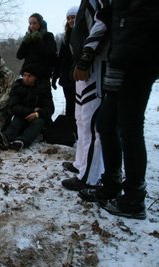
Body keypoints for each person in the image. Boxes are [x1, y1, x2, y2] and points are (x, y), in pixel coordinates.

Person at [79, 0, 159, 220]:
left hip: (138, 61)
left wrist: (122, 60)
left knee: (130, 128)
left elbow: (141, 20)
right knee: (105, 123)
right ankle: (112, 183)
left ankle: (134, 198)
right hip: (120, 60)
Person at [61, 0, 110, 191]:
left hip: (95, 63)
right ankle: (81, 163)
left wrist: (87, 55)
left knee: (91, 122)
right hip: (82, 64)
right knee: (80, 118)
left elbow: (102, 21)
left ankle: (90, 177)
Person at [0, 64, 54, 151]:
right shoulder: (17, 86)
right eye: (24, 75)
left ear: (35, 77)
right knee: (17, 120)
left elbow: (50, 108)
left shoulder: (43, 88)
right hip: (23, 114)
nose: (26, 78)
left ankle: (21, 142)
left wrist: (37, 114)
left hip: (38, 117)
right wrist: (31, 110)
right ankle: (5, 138)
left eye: (29, 76)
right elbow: (13, 106)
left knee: (39, 121)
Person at [16, 13, 57, 94]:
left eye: (34, 23)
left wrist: (38, 39)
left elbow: (48, 54)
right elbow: (19, 55)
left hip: (42, 77)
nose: (32, 26)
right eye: (30, 23)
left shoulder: (48, 36)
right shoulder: (29, 38)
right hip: (28, 76)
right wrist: (25, 42)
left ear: (40, 24)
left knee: (42, 102)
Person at [52, 6, 78, 120]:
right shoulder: (65, 37)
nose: (71, 20)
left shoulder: (85, 34)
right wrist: (55, 76)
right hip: (67, 77)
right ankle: (70, 129)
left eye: (73, 17)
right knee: (70, 103)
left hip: (80, 75)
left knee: (81, 105)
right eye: (69, 18)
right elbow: (61, 58)